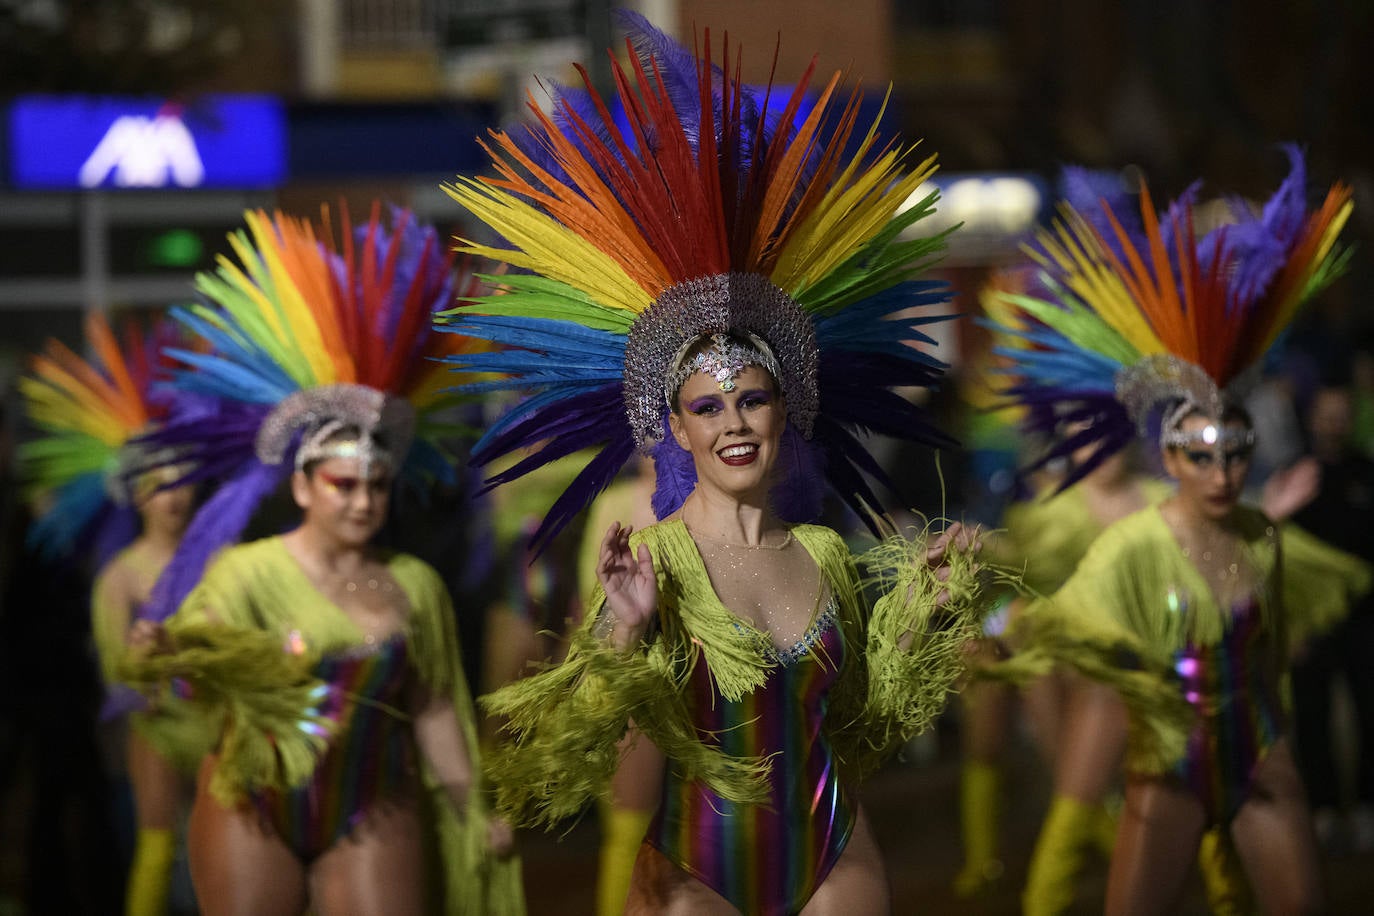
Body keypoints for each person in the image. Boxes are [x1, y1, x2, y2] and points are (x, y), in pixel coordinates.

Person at [438, 13, 991, 914]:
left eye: (752, 399)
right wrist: (622, 631)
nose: (734, 423)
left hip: (839, 856)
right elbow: (577, 748)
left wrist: (922, 615)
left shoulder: (823, 553)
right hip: (696, 876)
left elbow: (858, 729)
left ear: (788, 411)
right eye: (708, 406)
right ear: (677, 430)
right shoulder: (654, 560)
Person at [989, 145, 1364, 913]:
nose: (1222, 472)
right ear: (1169, 454)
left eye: (1236, 454)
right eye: (1201, 455)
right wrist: (978, 591)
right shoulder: (1134, 541)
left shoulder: (1261, 536)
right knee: (1083, 820)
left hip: (1262, 762)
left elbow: (1271, 664)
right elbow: (1055, 619)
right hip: (1165, 762)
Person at [120, 205, 522, 916]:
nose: (363, 500)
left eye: (376, 484)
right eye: (343, 483)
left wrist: (470, 808)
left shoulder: (413, 584)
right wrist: (167, 651)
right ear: (303, 484)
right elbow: (201, 673)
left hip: (373, 803)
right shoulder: (244, 573)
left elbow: (431, 708)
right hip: (253, 805)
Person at [20, 313, 206, 916]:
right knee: (156, 848)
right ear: (137, 492)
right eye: (160, 484)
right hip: (154, 727)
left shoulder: (221, 559)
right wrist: (145, 685)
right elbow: (116, 666)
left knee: (214, 849)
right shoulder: (121, 574)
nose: (174, 496)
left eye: (184, 482)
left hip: (216, 723)